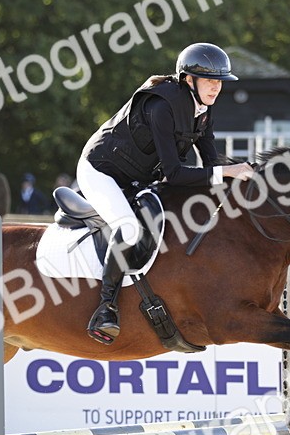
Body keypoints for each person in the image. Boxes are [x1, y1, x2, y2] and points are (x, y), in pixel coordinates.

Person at [75, 42, 253, 343]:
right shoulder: (162, 107)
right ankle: (106, 308)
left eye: (219, 81)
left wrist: (249, 178)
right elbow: (175, 173)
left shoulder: (203, 111)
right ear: (188, 80)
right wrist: (227, 172)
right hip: (101, 171)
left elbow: (212, 164)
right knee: (129, 229)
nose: (216, 88)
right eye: (210, 80)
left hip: (136, 178)